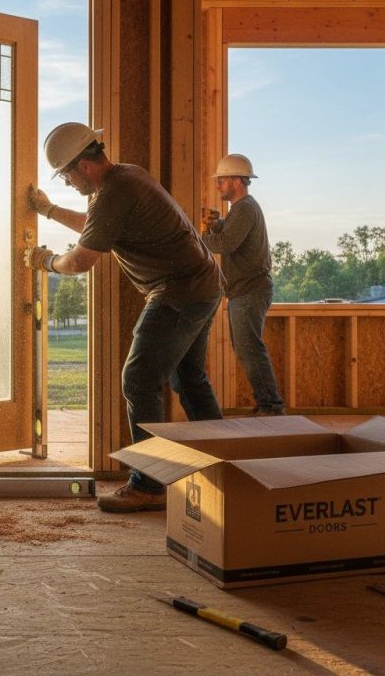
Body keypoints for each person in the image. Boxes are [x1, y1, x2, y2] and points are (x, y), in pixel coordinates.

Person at [25, 122, 224, 513]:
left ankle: (149, 485)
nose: (66, 182)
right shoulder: (125, 177)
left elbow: (81, 259)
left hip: (178, 291)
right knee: (190, 380)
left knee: (139, 379)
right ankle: (225, 468)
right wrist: (48, 211)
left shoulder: (114, 191)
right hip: (201, 286)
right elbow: (97, 228)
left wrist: (45, 262)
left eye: (66, 173)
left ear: (84, 164)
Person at [200, 154, 284, 417]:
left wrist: (198, 236)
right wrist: (216, 224)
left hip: (250, 290)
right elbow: (230, 233)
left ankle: (271, 408)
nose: (218, 185)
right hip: (245, 290)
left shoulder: (245, 207)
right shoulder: (241, 209)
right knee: (247, 348)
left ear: (237, 181)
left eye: (222, 180)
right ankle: (268, 405)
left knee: (249, 349)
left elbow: (226, 244)